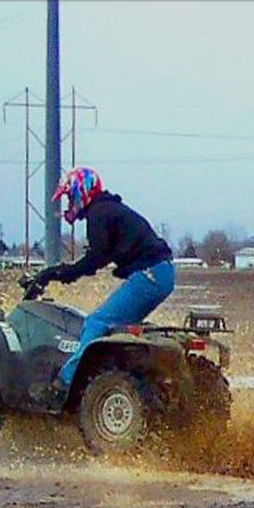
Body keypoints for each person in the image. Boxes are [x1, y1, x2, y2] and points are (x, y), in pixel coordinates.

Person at [31, 166, 175, 404]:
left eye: (69, 196)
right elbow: (102, 256)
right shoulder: (108, 209)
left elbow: (95, 259)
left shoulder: (99, 213)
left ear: (81, 192)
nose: (68, 203)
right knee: (117, 330)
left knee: (97, 321)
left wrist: (57, 273)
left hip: (150, 274)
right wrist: (62, 273)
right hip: (161, 273)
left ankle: (63, 384)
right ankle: (124, 378)